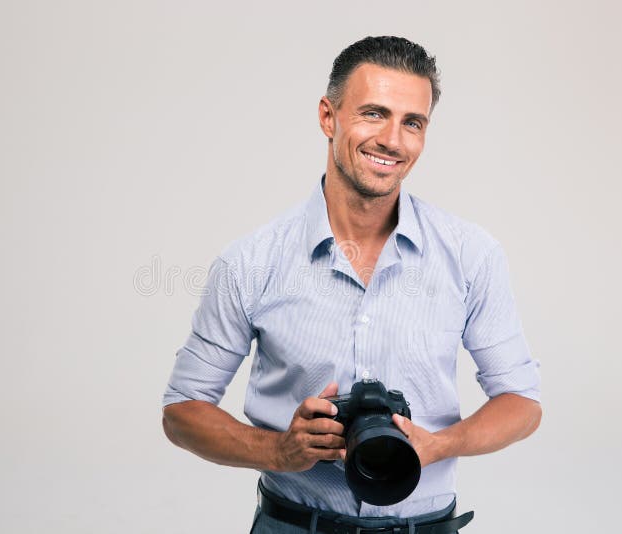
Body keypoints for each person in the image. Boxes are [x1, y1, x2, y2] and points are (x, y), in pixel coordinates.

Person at [162, 36, 541, 533]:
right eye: (373, 113)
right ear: (327, 116)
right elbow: (182, 410)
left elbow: (522, 403)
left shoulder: (472, 255)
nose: (392, 140)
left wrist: (437, 445)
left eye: (413, 123)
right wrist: (280, 450)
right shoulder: (250, 262)